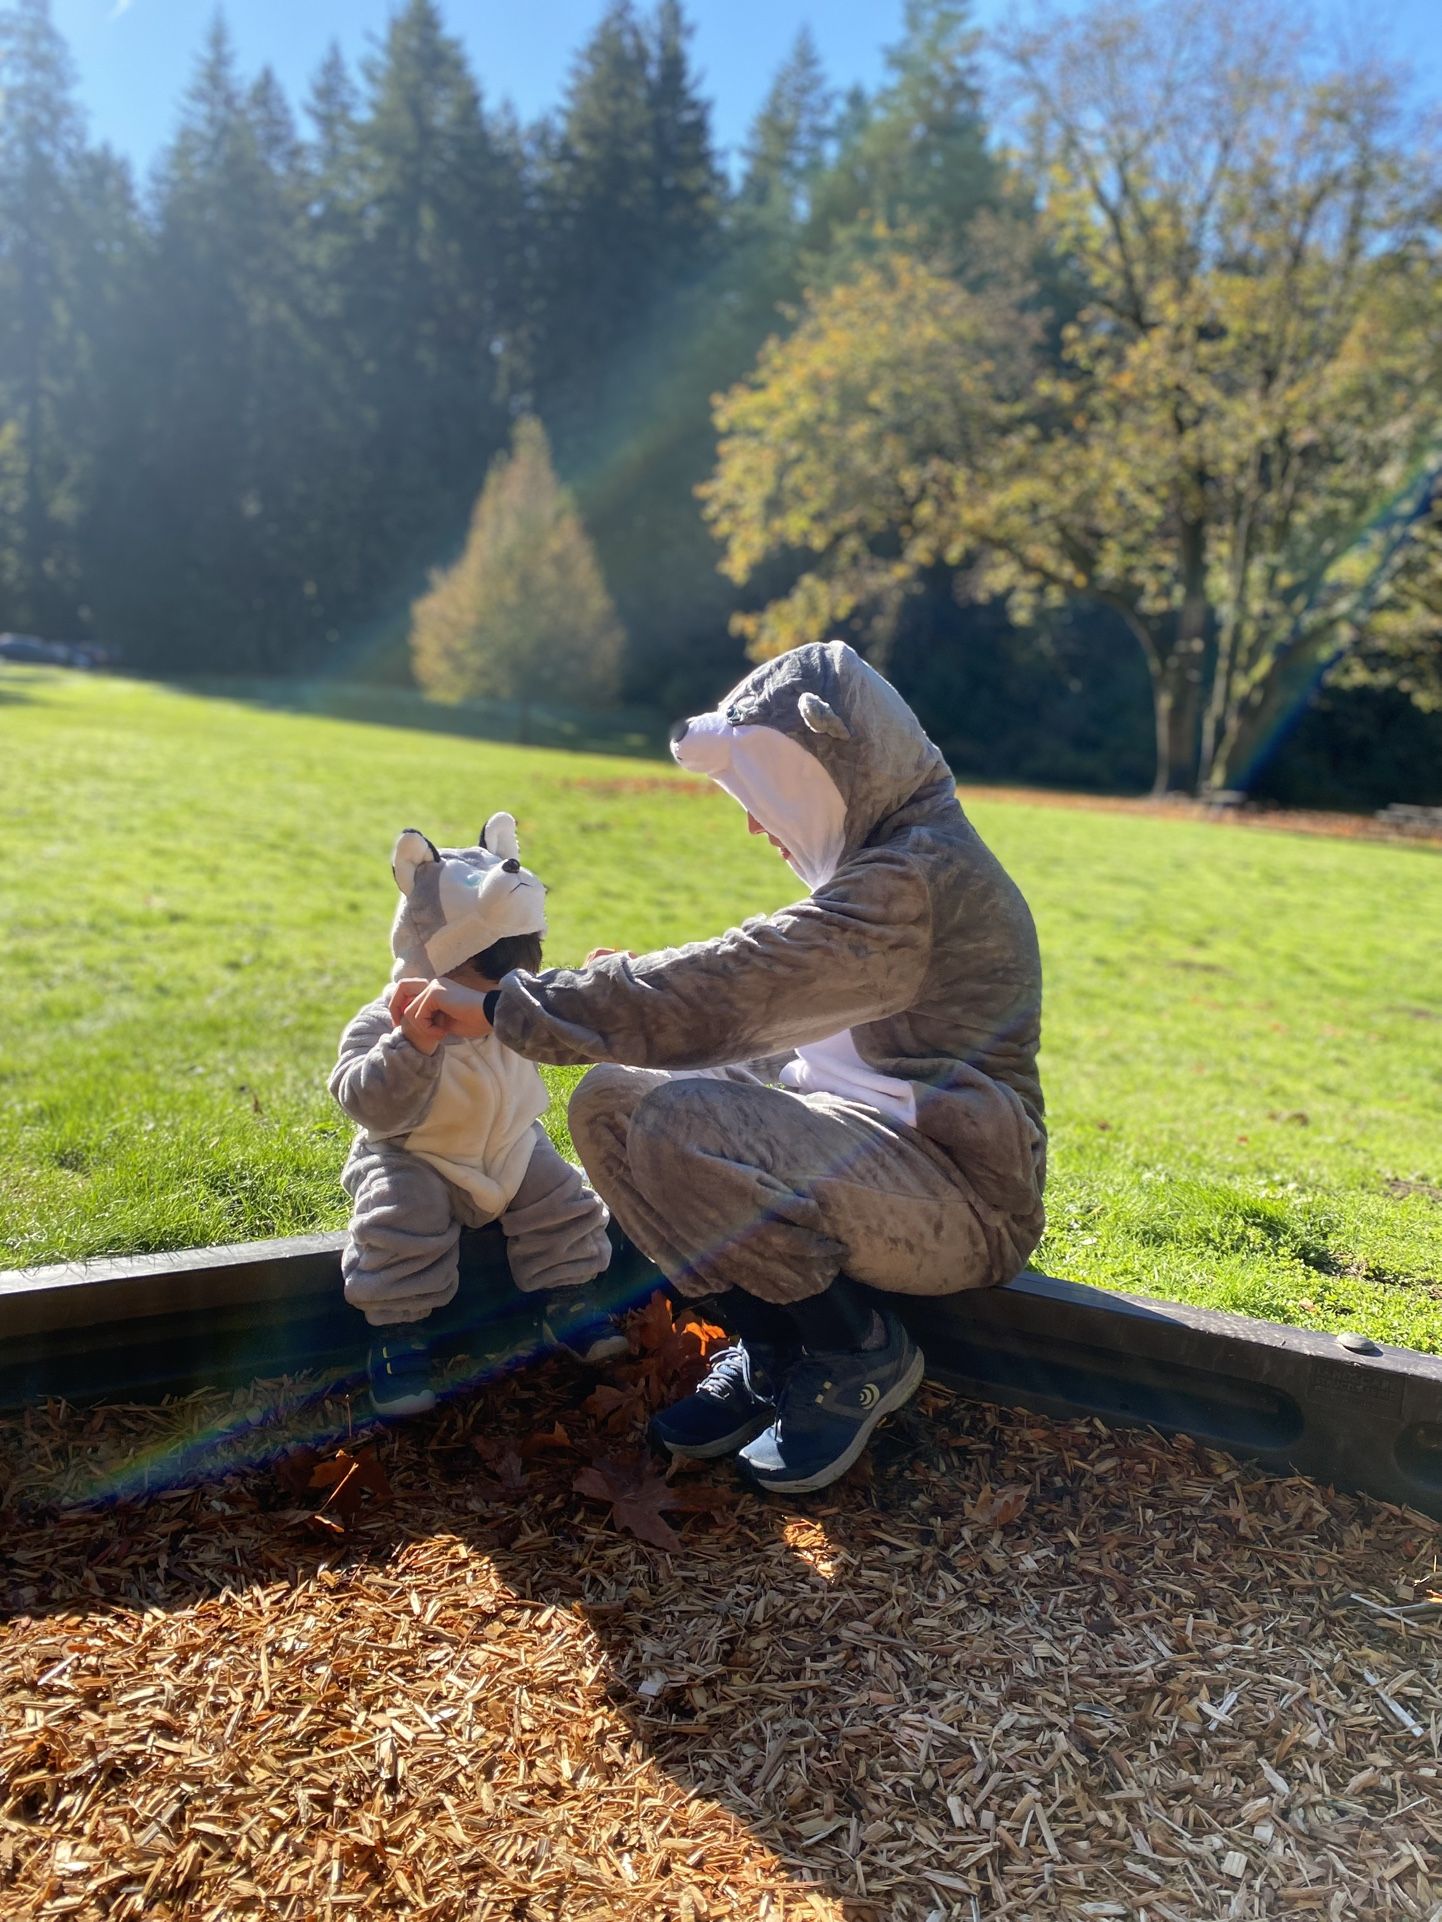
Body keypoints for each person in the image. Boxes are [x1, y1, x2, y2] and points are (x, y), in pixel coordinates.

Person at [395, 643, 1045, 1490]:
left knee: (677, 1123)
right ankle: (773, 1344)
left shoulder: (917, 880)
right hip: (867, 1147)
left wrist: (510, 1004)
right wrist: (632, 1012)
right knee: (612, 1104)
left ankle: (855, 1350)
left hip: (960, 1196)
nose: (752, 823)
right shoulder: (880, 865)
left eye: (762, 794)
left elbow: (734, 988)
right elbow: (767, 1015)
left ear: (821, 766)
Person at [330, 811, 622, 1419]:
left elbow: (572, 1035)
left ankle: (567, 1297)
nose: (495, 997)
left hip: (510, 1145)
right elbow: (361, 1101)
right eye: (476, 979)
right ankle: (398, 1335)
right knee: (398, 1220)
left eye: (517, 978)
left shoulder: (515, 1002)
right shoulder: (385, 1021)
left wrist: (604, 990)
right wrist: (412, 1045)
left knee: (561, 1198)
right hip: (417, 1156)